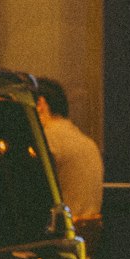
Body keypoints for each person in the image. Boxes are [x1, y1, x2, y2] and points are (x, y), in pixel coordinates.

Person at [33, 77, 104, 222]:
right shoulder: (88, 143)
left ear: (40, 104)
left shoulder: (47, 139)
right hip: (87, 238)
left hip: (56, 239)